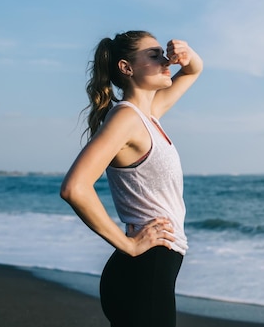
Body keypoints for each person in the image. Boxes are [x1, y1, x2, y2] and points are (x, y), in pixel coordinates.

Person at [60, 30, 203, 327]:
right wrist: (130, 246)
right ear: (126, 68)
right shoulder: (126, 119)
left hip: (149, 272)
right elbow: (75, 188)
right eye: (154, 55)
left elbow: (193, 70)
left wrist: (186, 53)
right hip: (143, 271)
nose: (166, 61)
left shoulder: (148, 115)